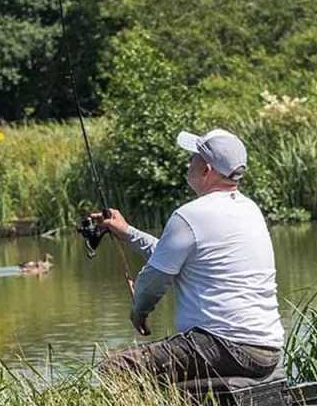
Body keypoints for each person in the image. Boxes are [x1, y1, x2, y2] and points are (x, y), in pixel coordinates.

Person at [95, 128, 284, 384]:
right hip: (267, 351)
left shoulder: (190, 215)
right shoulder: (250, 209)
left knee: (115, 368)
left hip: (224, 346)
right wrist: (128, 233)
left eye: (193, 158)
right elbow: (172, 256)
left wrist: (140, 309)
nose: (188, 164)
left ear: (205, 169)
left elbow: (155, 280)